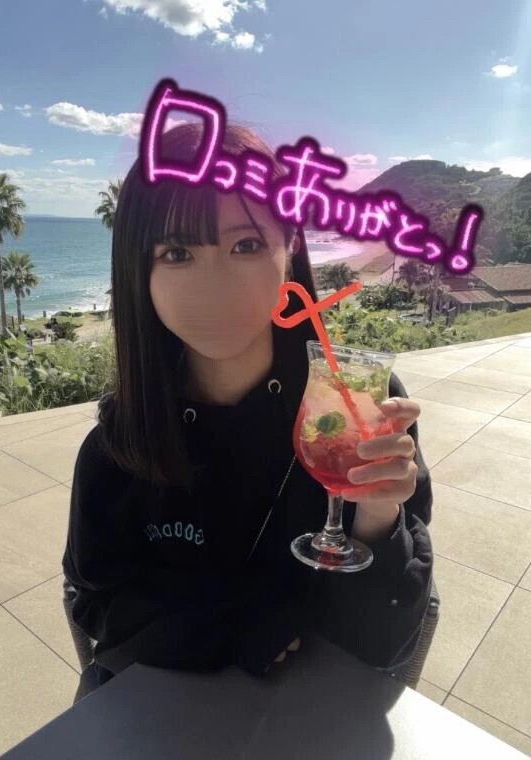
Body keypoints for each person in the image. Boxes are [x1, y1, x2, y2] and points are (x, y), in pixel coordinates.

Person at [62, 121, 433, 705]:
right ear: (139, 272)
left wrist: (378, 519)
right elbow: (98, 606)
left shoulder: (356, 409)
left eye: (246, 245)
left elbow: (386, 645)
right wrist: (233, 627)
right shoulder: (118, 448)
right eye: (177, 252)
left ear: (290, 248)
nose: (215, 287)